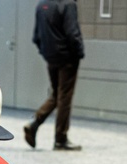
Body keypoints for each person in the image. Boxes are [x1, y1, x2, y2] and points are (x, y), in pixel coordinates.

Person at [24, 0, 85, 151]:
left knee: (57, 94)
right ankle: (60, 139)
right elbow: (72, 32)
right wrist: (79, 53)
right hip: (67, 58)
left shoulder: (41, 5)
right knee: (65, 97)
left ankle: (34, 123)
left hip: (51, 57)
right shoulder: (68, 4)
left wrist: (46, 53)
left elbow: (36, 37)